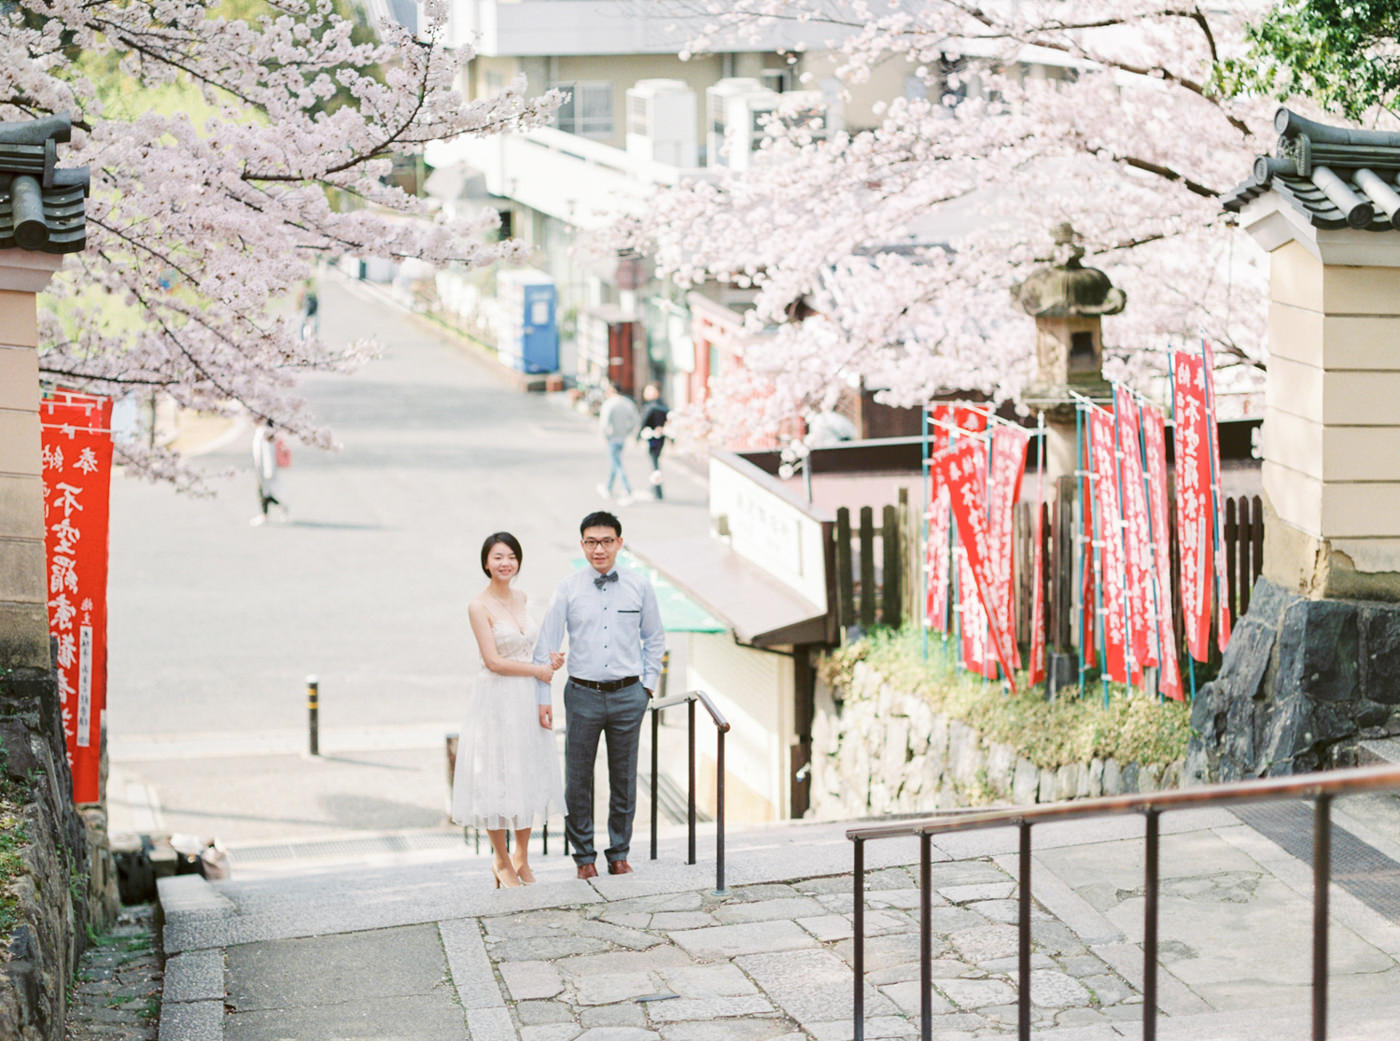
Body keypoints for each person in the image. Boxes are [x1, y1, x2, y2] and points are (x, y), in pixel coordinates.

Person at [533, 511, 665, 879]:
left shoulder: (639, 586)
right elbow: (546, 646)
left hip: (628, 695)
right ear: (582, 545)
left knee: (624, 778)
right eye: (591, 542)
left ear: (620, 543)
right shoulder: (568, 588)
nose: (599, 549)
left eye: (607, 541)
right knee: (578, 780)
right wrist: (543, 696)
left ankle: (619, 852)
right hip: (582, 694)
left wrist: (648, 686)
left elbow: (654, 638)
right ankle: (584, 857)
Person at [452, 532, 566, 889]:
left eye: (512, 556)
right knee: (497, 776)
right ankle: (500, 861)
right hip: (497, 699)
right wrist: (538, 671)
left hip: (526, 697)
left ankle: (522, 856)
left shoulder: (522, 597)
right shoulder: (478, 605)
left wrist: (548, 661)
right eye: (498, 557)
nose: (506, 563)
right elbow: (494, 661)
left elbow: (527, 649)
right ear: (486, 562)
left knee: (525, 773)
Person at [596, 383, 640, 504]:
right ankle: (608, 487)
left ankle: (627, 489)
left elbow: (604, 423)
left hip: (612, 438)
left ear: (613, 390)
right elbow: (636, 420)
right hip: (622, 438)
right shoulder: (628, 403)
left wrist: (603, 436)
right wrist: (629, 433)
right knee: (615, 462)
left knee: (617, 463)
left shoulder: (609, 404)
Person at [637, 384, 669, 500]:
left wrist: (637, 437)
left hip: (652, 439)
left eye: (648, 391)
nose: (646, 393)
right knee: (655, 463)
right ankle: (655, 488)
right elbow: (669, 421)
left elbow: (643, 422)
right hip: (661, 438)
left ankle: (657, 490)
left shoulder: (651, 406)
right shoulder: (663, 405)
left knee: (654, 464)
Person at [250, 420, 286, 526]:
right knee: (265, 492)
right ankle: (278, 508)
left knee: (264, 492)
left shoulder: (265, 432)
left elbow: (268, 452)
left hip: (265, 470)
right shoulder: (261, 431)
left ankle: (267, 513)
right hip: (261, 468)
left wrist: (268, 470)